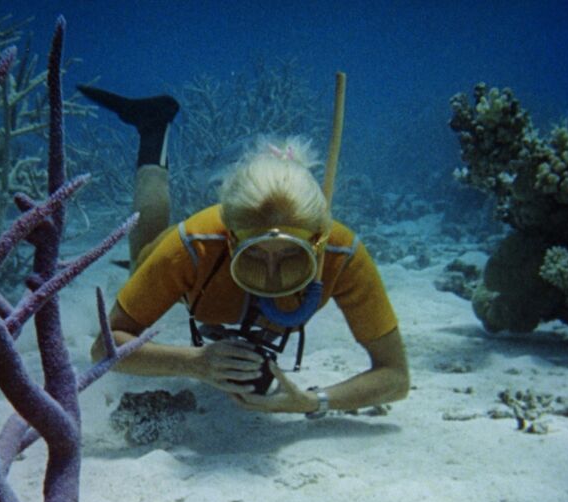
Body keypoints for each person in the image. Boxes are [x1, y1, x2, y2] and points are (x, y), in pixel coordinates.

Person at [81, 85, 409, 415]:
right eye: (253, 255)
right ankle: (154, 128)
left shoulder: (341, 253)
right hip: (190, 269)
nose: (270, 277)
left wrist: (312, 401)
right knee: (142, 254)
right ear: (230, 238)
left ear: (317, 242)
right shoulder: (194, 245)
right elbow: (103, 349)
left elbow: (396, 377)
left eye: (290, 256)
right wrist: (194, 362)